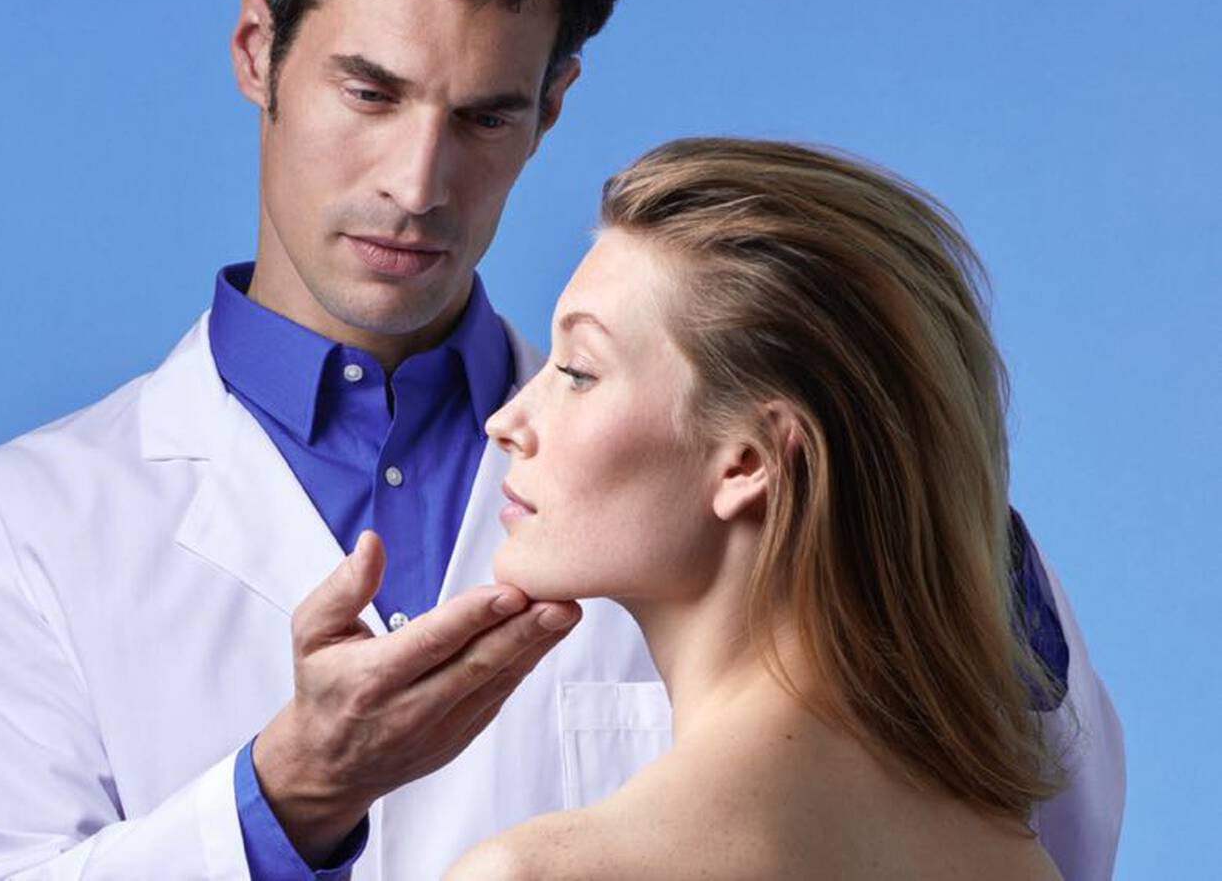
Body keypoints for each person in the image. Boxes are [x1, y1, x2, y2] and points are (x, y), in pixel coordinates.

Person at [0, 0, 1119, 878]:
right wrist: (285, 797)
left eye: (485, 117)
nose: (417, 181)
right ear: (257, 48)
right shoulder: (28, 530)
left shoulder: (698, 473)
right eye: (368, 92)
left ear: (553, 105)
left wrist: (921, 498)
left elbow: (1036, 816)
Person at [448, 139, 1125, 880]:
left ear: (748, 461)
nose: (508, 420)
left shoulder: (540, 873)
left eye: (578, 372)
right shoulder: (1016, 862)